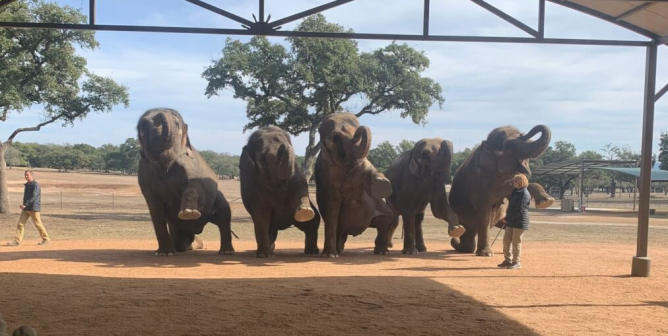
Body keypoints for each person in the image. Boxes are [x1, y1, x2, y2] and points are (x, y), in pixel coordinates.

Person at [7, 170, 50, 246]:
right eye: (25, 175)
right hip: (26, 208)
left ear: (31, 175)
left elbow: (34, 196)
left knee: (38, 224)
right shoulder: (27, 185)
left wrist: (26, 204)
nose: (26, 176)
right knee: (20, 224)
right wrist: (24, 205)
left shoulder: (35, 185)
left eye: (27, 175)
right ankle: (17, 241)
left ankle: (46, 239)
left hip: (33, 208)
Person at [498, 174, 530, 269]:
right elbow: (511, 207)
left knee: (516, 242)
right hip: (511, 221)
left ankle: (516, 262)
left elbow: (520, 210)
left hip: (520, 221)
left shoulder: (525, 194)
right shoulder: (515, 191)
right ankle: (507, 260)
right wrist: (507, 216)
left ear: (520, 181)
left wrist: (508, 218)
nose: (513, 183)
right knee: (506, 240)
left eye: (515, 181)